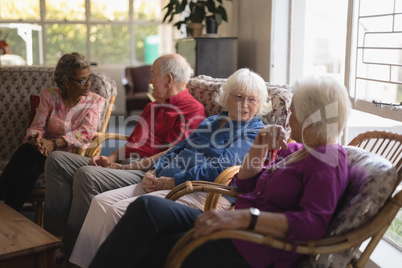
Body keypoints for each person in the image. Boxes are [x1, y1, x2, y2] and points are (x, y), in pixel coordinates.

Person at [89, 75, 352, 268]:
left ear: (311, 117)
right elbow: (244, 184)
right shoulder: (295, 150)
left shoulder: (329, 159)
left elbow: (313, 224)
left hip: (252, 245)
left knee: (152, 241)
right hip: (231, 224)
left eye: (294, 111)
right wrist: (260, 145)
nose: (289, 116)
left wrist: (245, 219)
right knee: (145, 209)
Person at [69, 68, 270, 268]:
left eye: (252, 99)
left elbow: (221, 167)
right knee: (101, 202)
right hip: (165, 182)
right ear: (228, 97)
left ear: (260, 104)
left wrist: (172, 181)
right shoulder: (212, 121)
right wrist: (154, 171)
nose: (244, 105)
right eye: (238, 96)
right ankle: (80, 264)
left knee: (120, 210)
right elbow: (179, 148)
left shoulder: (253, 131)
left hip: (201, 191)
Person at [44, 53, 207, 262]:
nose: (148, 81)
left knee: (87, 175)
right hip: (125, 164)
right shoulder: (152, 105)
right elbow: (132, 144)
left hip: (144, 172)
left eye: (152, 75)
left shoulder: (192, 110)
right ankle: (54, 238)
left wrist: (122, 168)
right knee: (57, 159)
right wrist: (109, 157)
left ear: (168, 79)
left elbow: (170, 155)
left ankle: (68, 249)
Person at [0, 52, 104, 212]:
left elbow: (86, 133)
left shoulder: (94, 101)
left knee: (26, 153)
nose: (88, 84)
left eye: (89, 78)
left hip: (70, 157)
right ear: (65, 81)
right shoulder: (49, 95)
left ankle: (5, 210)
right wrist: (36, 140)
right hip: (42, 153)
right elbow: (37, 126)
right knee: (30, 168)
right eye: (82, 80)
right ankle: (9, 215)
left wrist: (53, 143)